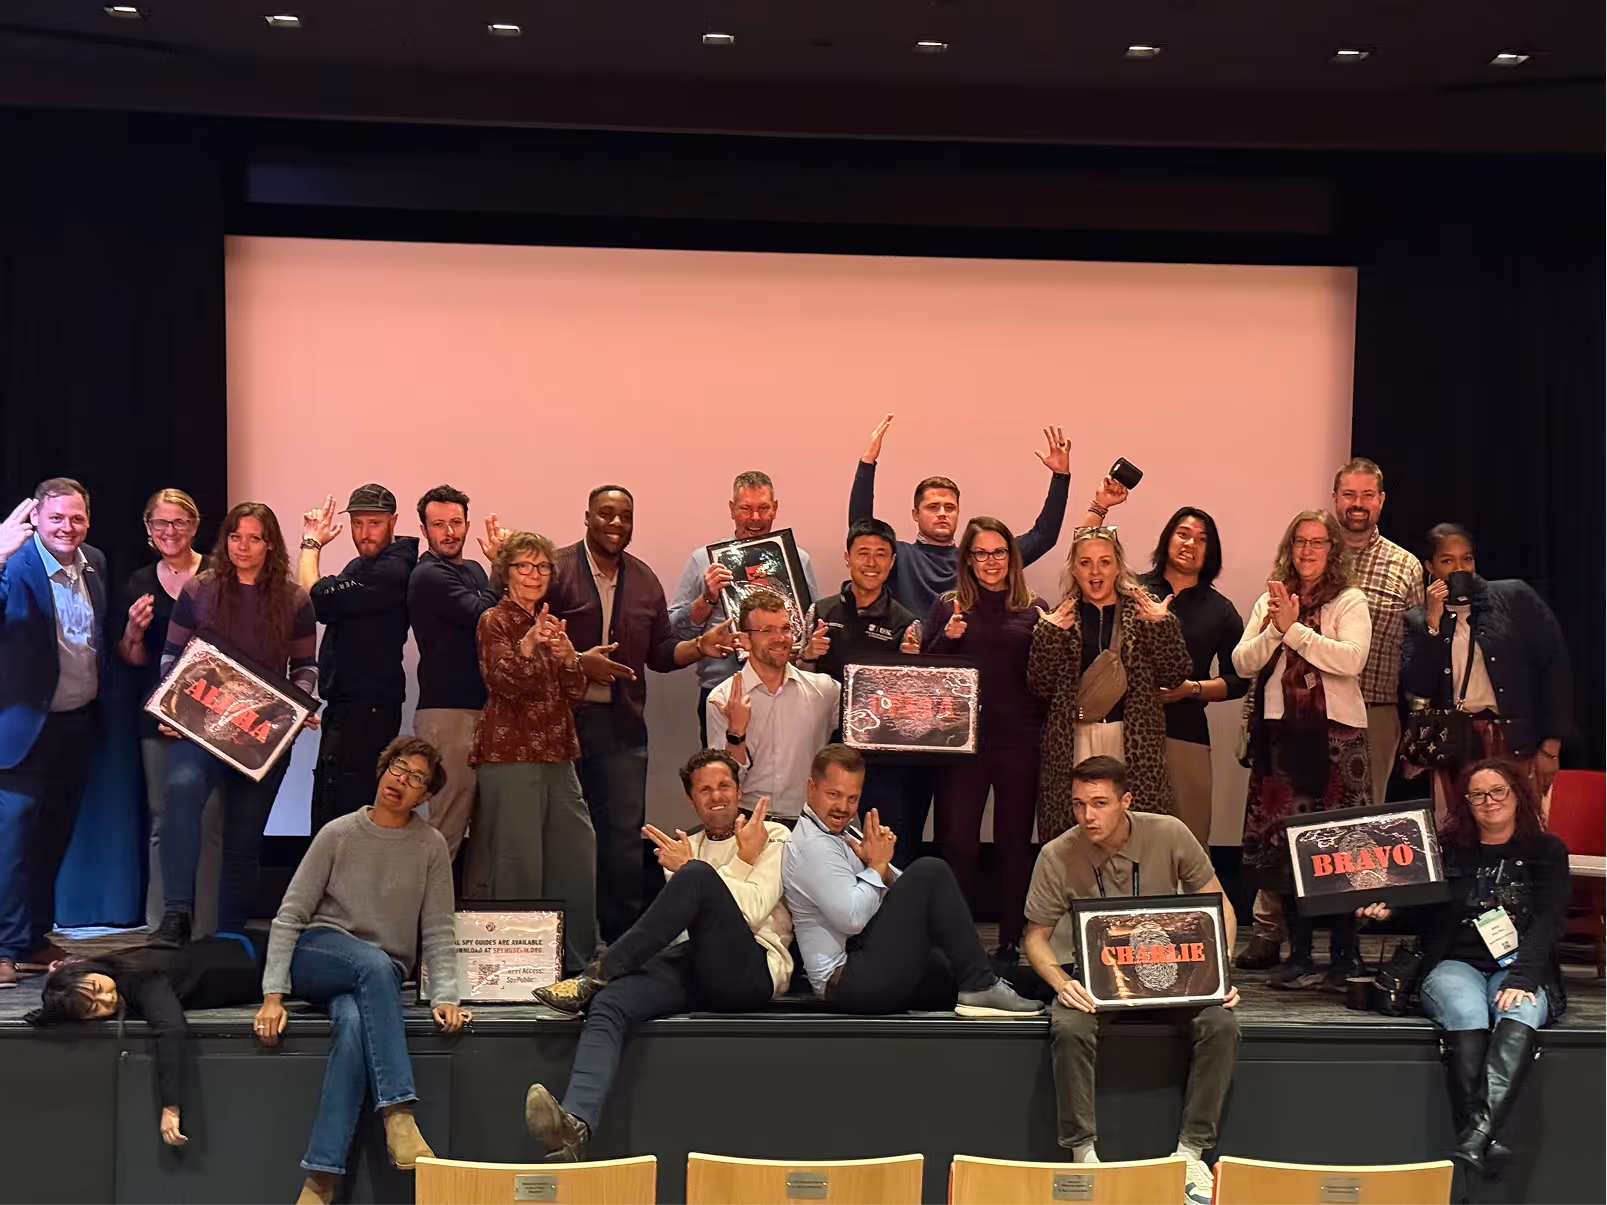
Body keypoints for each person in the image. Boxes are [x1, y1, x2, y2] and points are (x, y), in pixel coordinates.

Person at [521, 749, 793, 1162]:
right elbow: (680, 927)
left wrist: (723, 862)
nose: (716, 796)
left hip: (752, 970)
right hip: (696, 964)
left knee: (697, 877)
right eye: (704, 790)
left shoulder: (771, 835)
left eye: (724, 786)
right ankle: (576, 1123)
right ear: (691, 800)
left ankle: (597, 973)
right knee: (612, 1003)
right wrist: (689, 869)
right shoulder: (684, 847)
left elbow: (753, 909)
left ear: (739, 791)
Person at [254, 735, 469, 1205]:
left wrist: (446, 994)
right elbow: (291, 914)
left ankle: (321, 1178)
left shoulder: (430, 845)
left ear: (427, 796)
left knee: (354, 1021)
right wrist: (274, 993)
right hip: (321, 952)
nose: (402, 782)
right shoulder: (339, 833)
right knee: (371, 965)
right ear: (382, 768)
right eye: (399, 768)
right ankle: (397, 1112)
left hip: (381, 972)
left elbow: (436, 927)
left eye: (417, 779)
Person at [1022, 756, 1239, 1204]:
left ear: (1126, 801)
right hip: (1099, 978)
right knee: (1068, 1026)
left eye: (1100, 803)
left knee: (1221, 1025)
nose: (1088, 816)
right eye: (1079, 804)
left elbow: (1220, 904)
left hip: (1174, 971)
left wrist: (1219, 968)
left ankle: (1190, 1156)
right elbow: (1036, 939)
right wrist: (1062, 982)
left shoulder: (1169, 832)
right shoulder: (1057, 853)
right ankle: (1083, 1156)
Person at [1356, 759, 1567, 1177]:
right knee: (1467, 1010)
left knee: (1519, 1008)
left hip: (1519, 965)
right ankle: (1484, 1134)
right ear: (1466, 802)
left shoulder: (1546, 851)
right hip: (1456, 962)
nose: (1488, 802)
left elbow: (1548, 923)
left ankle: (1474, 1135)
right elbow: (1424, 916)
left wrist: (1525, 979)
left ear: (1517, 794)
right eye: (1477, 794)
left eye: (1497, 791)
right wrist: (1383, 915)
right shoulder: (1449, 850)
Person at [545, 485, 736, 943]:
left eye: (624, 516)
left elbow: (661, 652)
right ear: (587, 516)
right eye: (606, 514)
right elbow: (531, 640)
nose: (615, 523)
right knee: (563, 838)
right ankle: (565, 945)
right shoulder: (557, 569)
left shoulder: (645, 579)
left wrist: (699, 647)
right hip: (560, 728)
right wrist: (576, 663)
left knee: (624, 844)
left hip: (623, 729)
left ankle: (619, 945)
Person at [149, 502, 319, 950]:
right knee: (181, 791)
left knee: (245, 835)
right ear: (225, 540)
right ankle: (176, 915)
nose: (243, 546)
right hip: (201, 728)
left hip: (260, 734)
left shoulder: (294, 599)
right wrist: (170, 704)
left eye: (255, 538)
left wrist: (300, 707)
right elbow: (171, 656)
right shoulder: (197, 590)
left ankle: (229, 934)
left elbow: (305, 666)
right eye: (235, 536)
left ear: (270, 545)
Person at [782, 743, 1042, 1017]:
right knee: (930, 871)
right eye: (833, 795)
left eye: (852, 798)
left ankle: (1038, 985)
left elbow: (907, 889)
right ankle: (981, 986)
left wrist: (878, 867)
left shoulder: (844, 833)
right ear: (811, 788)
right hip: (847, 982)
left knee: (971, 969)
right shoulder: (812, 845)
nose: (843, 807)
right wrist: (877, 866)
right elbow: (853, 918)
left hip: (872, 964)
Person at [1233, 509, 1372, 990]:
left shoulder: (1349, 600)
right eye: (1299, 542)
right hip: (1282, 737)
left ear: (1333, 551)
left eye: (1318, 542)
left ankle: (1343, 955)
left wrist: (1296, 630)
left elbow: (1350, 661)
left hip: (1337, 738)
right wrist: (1276, 626)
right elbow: (1242, 659)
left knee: (1339, 851)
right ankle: (1298, 954)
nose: (1307, 551)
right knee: (1289, 850)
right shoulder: (1269, 600)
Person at [920, 517, 1049, 964]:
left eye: (998, 552)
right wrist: (946, 640)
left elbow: (1044, 678)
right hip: (960, 746)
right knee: (958, 844)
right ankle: (957, 939)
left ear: (1011, 558)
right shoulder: (948, 605)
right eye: (980, 553)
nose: (990, 562)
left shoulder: (1035, 608)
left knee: (1015, 843)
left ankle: (1012, 938)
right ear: (967, 559)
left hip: (1020, 743)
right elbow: (927, 678)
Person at [468, 531, 596, 973]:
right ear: (505, 573)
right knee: (517, 862)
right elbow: (505, 682)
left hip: (558, 751)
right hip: (510, 754)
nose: (534, 575)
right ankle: (516, 966)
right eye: (524, 566)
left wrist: (568, 658)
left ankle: (575, 962)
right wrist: (528, 645)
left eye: (542, 567)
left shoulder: (551, 622)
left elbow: (575, 692)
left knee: (576, 854)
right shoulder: (494, 621)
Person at [0, 480, 110, 989]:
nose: (68, 528)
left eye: (77, 519)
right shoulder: (16, 563)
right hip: (22, 730)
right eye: (57, 519)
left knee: (51, 838)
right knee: (12, 841)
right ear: (37, 521)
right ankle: (2, 945)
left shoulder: (96, 563)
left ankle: (31, 938)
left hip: (75, 724)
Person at [1032, 525, 1192, 842]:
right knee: (1076, 831)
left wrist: (1162, 627)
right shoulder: (1060, 617)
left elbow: (1175, 675)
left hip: (1131, 741)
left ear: (1118, 566)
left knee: (1135, 832)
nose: (1095, 571)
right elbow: (1039, 687)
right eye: (1085, 562)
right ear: (1073, 569)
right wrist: (1048, 635)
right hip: (1074, 741)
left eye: (1104, 561)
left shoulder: (1146, 613)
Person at [23, 936, 260, 1147]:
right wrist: (46, 1015)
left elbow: (171, 1030)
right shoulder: (108, 968)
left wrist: (171, 1107)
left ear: (87, 969)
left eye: (98, 988)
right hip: (225, 943)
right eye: (95, 1007)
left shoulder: (141, 977)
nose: (107, 998)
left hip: (254, 961)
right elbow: (58, 1010)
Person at [1400, 524, 1572, 815]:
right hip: (1457, 746)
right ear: (1429, 567)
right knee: (1463, 831)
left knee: (1523, 825)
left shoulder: (1514, 597)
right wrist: (1433, 622)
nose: (1460, 569)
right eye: (1447, 561)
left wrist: (1551, 746)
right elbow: (1419, 687)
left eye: (1466, 559)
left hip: (1517, 741)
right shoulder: (1418, 620)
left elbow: (1554, 669)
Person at [848, 414, 1085, 616]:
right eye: (933, 507)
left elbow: (1043, 537)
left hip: (965, 662)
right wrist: (867, 462)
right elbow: (860, 530)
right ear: (915, 514)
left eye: (949, 508)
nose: (942, 514)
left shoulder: (979, 559)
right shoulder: (898, 556)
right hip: (910, 659)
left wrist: (1060, 477)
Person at [118, 488, 222, 934]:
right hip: (158, 717)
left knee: (211, 820)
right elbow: (132, 659)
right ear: (147, 529)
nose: (169, 531)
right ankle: (162, 924)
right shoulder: (138, 582)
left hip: (215, 718)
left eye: (179, 522)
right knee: (163, 820)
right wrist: (132, 634)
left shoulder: (219, 576)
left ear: (195, 527)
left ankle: (207, 928)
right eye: (160, 523)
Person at [799, 518, 923, 860]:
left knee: (883, 836)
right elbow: (798, 682)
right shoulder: (820, 612)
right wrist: (807, 656)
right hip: (827, 744)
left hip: (882, 752)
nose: (871, 562)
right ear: (847, 557)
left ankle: (885, 908)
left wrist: (911, 666)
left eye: (881, 554)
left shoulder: (906, 623)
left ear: (893, 561)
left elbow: (913, 701)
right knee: (820, 834)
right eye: (863, 553)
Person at [299, 485, 419, 833]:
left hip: (366, 710)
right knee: (334, 800)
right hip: (351, 708)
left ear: (393, 521)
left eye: (374, 523)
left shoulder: (390, 570)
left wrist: (311, 543)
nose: (364, 533)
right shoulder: (362, 566)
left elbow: (312, 597)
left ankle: (342, 887)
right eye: (358, 523)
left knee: (344, 809)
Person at [667, 470, 821, 742]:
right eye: (745, 509)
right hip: (722, 690)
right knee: (723, 778)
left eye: (763, 508)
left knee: (781, 776)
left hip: (783, 689)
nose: (755, 518)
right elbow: (675, 632)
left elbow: (809, 626)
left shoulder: (797, 560)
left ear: (775, 508)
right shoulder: (703, 560)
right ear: (731, 509)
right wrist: (708, 598)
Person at [1132, 507, 1249, 849]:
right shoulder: (1133, 591)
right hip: (1127, 729)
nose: (1190, 544)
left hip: (1187, 733)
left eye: (1202, 539)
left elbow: (1238, 680)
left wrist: (1192, 689)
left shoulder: (1221, 609)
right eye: (1183, 534)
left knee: (1188, 839)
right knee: (1126, 837)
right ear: (1168, 537)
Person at [407, 484, 502, 856]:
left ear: (467, 524)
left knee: (483, 827)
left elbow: (490, 611)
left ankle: (473, 914)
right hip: (447, 712)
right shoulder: (428, 574)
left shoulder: (476, 570)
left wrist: (492, 578)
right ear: (424, 529)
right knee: (447, 824)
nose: (449, 532)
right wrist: (499, 574)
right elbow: (485, 616)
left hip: (482, 709)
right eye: (439, 524)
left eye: (456, 522)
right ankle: (427, 913)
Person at [705, 590, 842, 823]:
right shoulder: (722, 698)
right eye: (767, 630)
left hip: (808, 821)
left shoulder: (825, 691)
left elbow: (870, 716)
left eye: (785, 629)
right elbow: (724, 783)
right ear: (745, 640)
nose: (780, 638)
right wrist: (735, 733)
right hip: (748, 820)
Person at [1332, 458, 1423, 805]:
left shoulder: (1406, 566)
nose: (1358, 503)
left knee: (1365, 821)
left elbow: (1415, 651)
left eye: (1367, 495)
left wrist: (1415, 730)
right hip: (1313, 713)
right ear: (1335, 498)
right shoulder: (1311, 554)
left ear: (1381, 500)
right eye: (1349, 494)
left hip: (1377, 715)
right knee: (1307, 819)